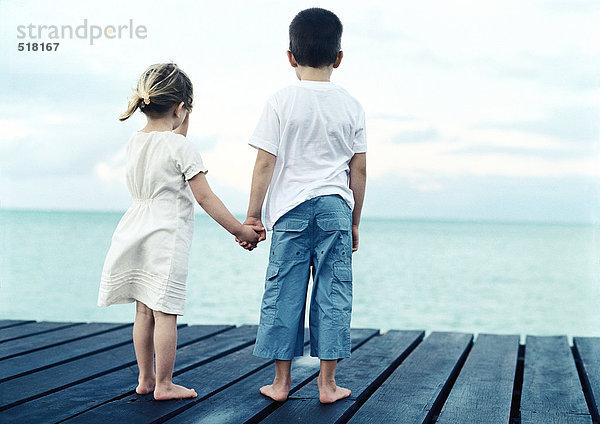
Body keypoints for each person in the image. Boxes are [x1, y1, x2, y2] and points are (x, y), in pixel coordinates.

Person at [98, 63, 261, 401]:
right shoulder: (181, 148)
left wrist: (180, 116)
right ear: (180, 108)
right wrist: (239, 229)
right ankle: (165, 384)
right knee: (166, 312)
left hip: (134, 231)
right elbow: (205, 196)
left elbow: (169, 145)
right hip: (165, 238)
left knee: (143, 310)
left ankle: (145, 379)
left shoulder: (135, 142)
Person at [240, 8, 367, 404]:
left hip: (291, 212)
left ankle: (280, 384)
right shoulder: (351, 105)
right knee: (334, 292)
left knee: (284, 291)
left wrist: (252, 214)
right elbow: (358, 169)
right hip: (334, 209)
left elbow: (265, 161)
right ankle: (327, 386)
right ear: (339, 57)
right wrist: (355, 222)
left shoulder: (280, 101)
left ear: (290, 56)